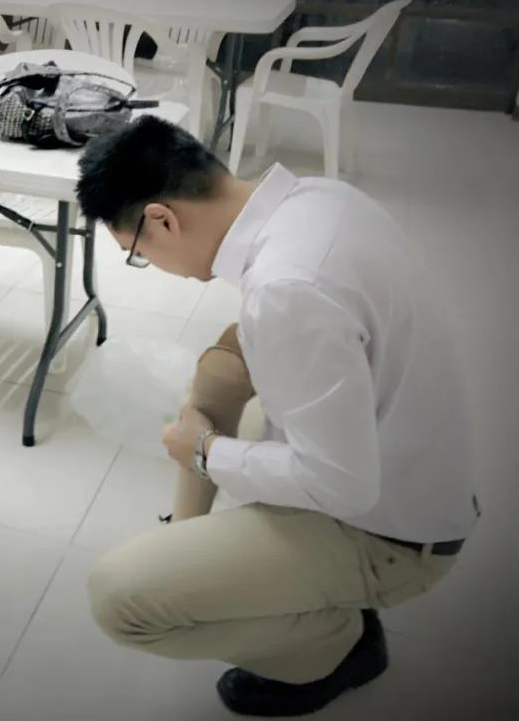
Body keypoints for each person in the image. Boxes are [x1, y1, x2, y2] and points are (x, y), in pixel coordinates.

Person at [74, 115, 479, 716]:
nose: (149, 263)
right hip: (411, 469)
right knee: (220, 368)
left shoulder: (287, 287)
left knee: (120, 601)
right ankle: (192, 541)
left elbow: (342, 485)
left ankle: (337, 644)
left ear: (163, 219)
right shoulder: (320, 198)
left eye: (138, 253)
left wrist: (205, 452)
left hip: (392, 535)